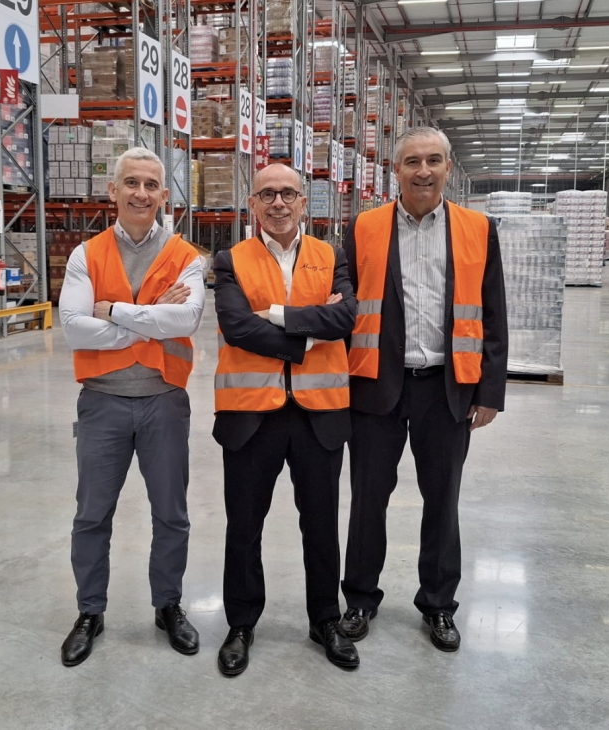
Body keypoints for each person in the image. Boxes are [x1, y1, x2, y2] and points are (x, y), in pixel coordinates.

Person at [338, 127, 508, 653]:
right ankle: (361, 598)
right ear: (396, 171)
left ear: (448, 168)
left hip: (447, 388)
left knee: (443, 500)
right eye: (412, 161)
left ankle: (438, 604)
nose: (423, 170)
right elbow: (344, 309)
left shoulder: (478, 228)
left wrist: (489, 390)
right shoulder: (363, 227)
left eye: (434, 160)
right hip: (375, 387)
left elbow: (495, 312)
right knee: (368, 500)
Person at [57, 147, 206, 667]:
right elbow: (73, 326)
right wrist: (147, 320)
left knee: (172, 515)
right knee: (91, 515)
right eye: (131, 183)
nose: (141, 193)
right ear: (114, 191)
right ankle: (89, 611)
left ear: (165, 195)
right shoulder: (87, 254)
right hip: (103, 406)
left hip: (165, 403)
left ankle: (168, 606)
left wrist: (116, 313)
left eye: (151, 185)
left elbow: (184, 322)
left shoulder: (187, 255)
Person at [211, 163, 359, 676]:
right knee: (244, 527)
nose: (278, 203)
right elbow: (235, 328)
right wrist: (309, 333)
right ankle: (241, 623)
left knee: (321, 526)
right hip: (251, 416)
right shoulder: (230, 259)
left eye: (288, 194)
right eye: (267, 194)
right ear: (252, 204)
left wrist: (273, 316)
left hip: (320, 417)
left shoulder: (331, 254)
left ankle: (325, 620)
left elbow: (346, 319)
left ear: (303, 202)